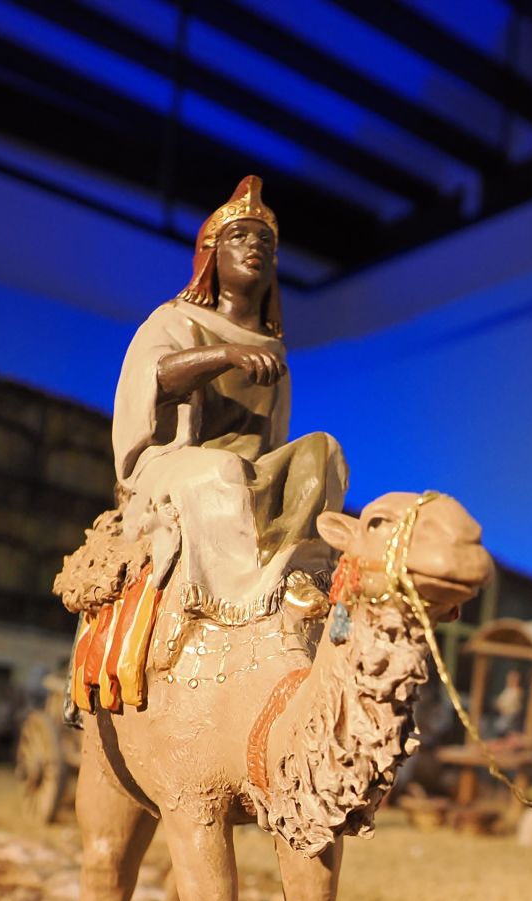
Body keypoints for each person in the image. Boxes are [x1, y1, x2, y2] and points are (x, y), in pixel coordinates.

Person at [110, 175, 347, 626]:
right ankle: (234, 598)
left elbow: (274, 441)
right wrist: (224, 354)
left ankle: (297, 573)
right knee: (223, 470)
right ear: (211, 254)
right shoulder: (176, 321)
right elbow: (153, 379)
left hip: (250, 470)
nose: (253, 246)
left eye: (264, 240)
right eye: (238, 236)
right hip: (175, 463)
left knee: (326, 452)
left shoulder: (274, 353)